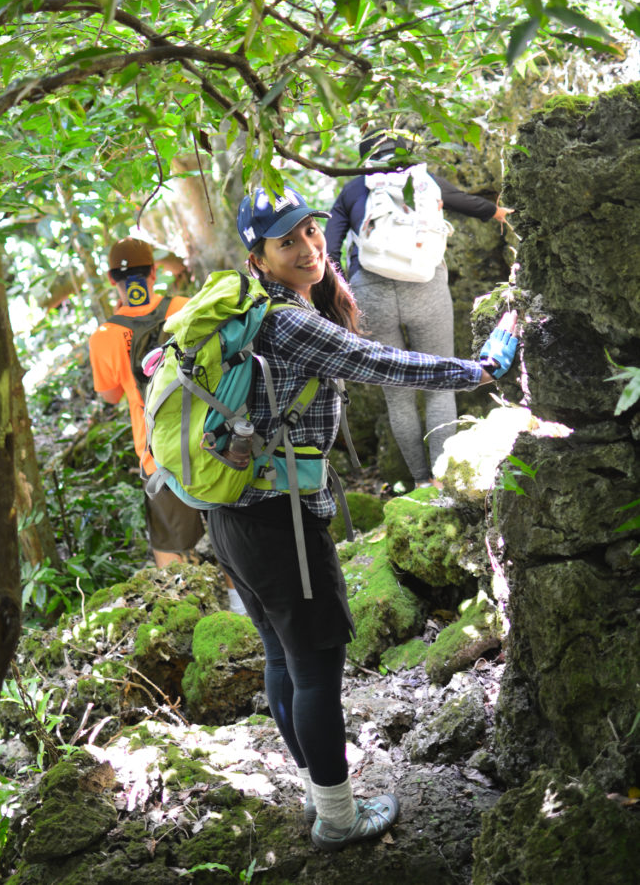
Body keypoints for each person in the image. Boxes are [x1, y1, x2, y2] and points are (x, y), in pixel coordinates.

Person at [205, 186, 516, 852]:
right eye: (287, 242)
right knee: (316, 668)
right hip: (278, 521)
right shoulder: (287, 324)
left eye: (311, 233)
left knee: (283, 655)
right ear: (258, 258)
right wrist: (480, 370)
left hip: (230, 513)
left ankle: (317, 782)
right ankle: (339, 817)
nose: (309, 248)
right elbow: (382, 362)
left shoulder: (256, 312)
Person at [324, 131, 513, 488]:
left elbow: (329, 254)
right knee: (441, 383)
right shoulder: (423, 181)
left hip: (370, 293)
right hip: (425, 286)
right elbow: (469, 203)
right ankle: (445, 478)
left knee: (397, 394)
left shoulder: (352, 191)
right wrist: (500, 212)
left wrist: (341, 299)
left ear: (365, 161)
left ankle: (422, 481)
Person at [88, 236, 245, 613]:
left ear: (113, 280)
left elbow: (109, 396)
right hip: (211, 439)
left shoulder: (105, 336)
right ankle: (243, 608)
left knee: (171, 544)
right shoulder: (186, 308)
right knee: (227, 525)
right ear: (154, 272)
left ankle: (186, 616)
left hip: (158, 455)